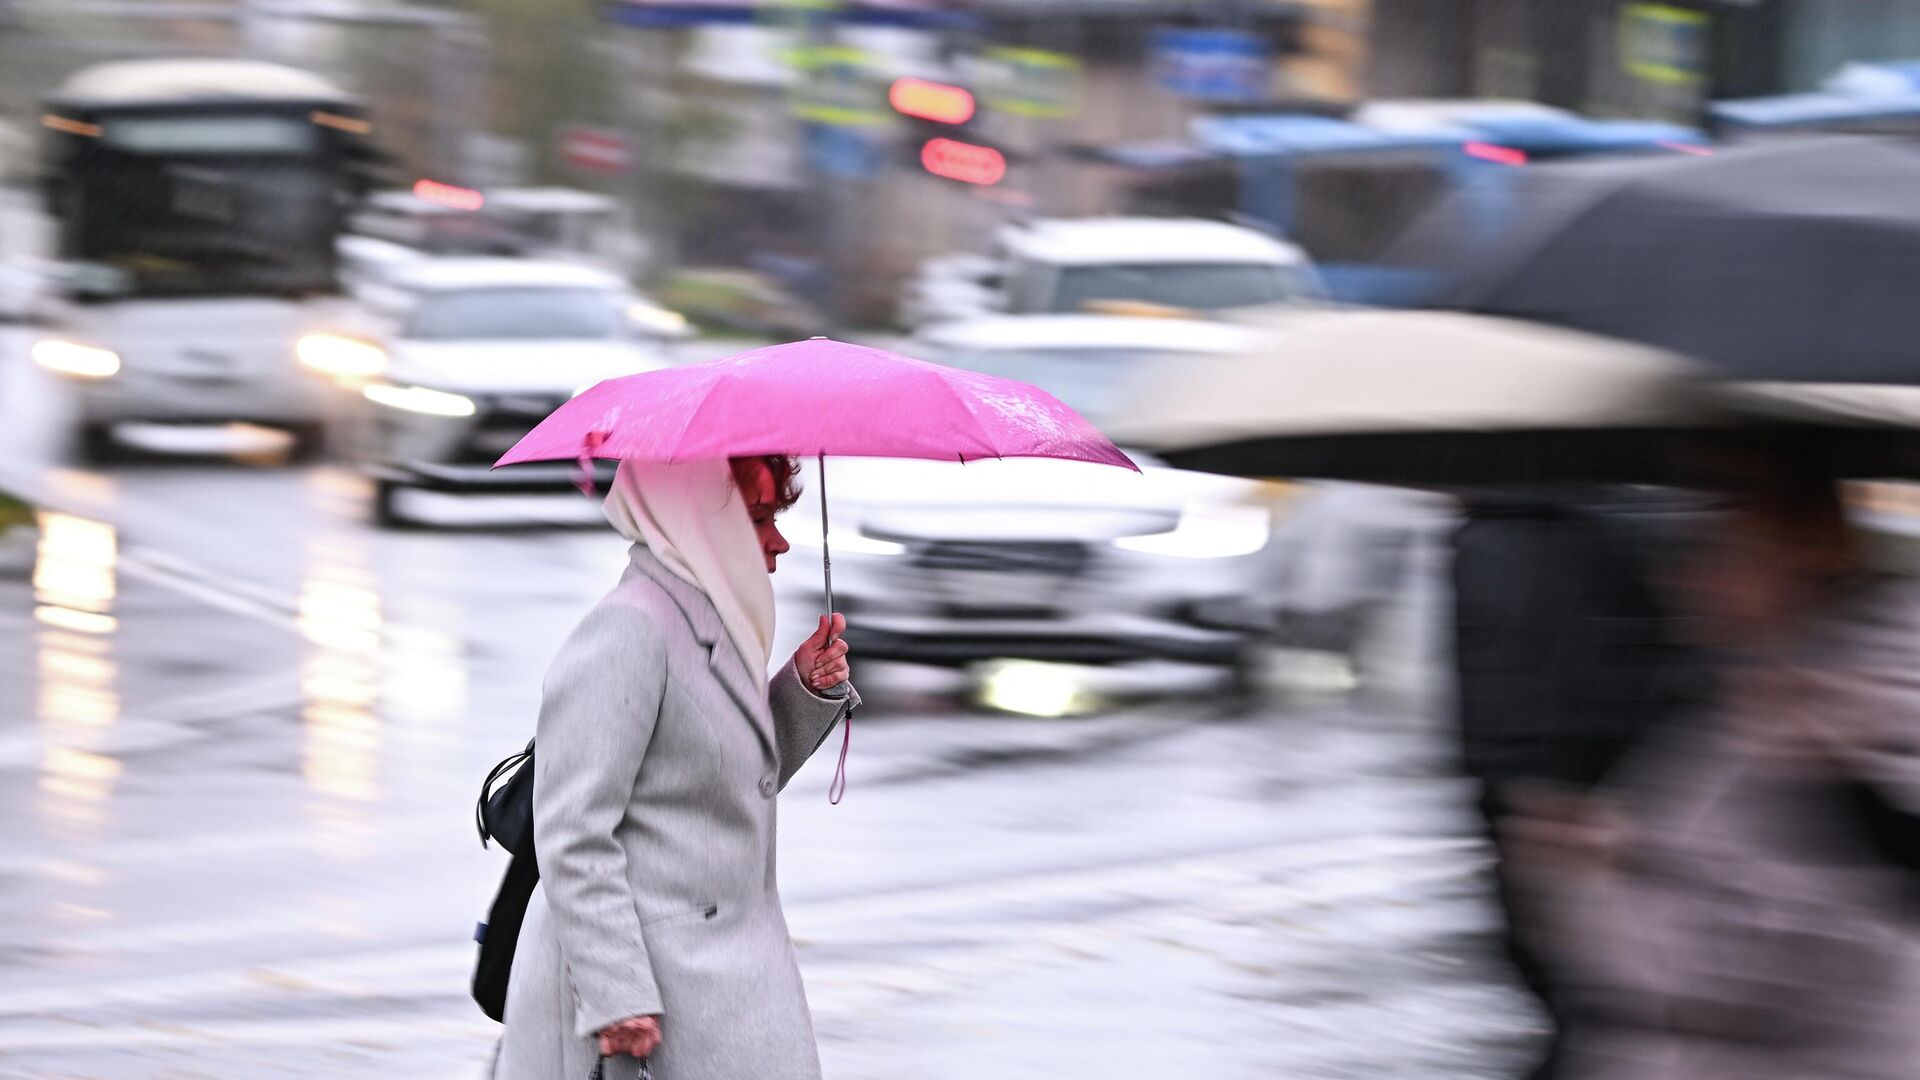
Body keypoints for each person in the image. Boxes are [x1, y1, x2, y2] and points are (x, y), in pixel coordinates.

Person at [1508, 439, 1920, 1080]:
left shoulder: (1853, 704)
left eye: (1723, 543)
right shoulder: (1757, 690)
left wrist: (1590, 879)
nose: (1687, 575)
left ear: (1808, 546)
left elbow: (1757, 969)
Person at [492, 455, 857, 1080]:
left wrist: (800, 690)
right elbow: (573, 834)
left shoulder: (716, 618)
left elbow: (722, 785)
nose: (780, 540)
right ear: (697, 521)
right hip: (649, 999)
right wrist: (617, 994)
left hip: (722, 978)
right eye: (760, 518)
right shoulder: (629, 629)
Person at [1450, 487, 1709, 1080]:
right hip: (1556, 792)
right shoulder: (1506, 531)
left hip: (1563, 796)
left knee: (1587, 993)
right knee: (1585, 993)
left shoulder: (1503, 532)